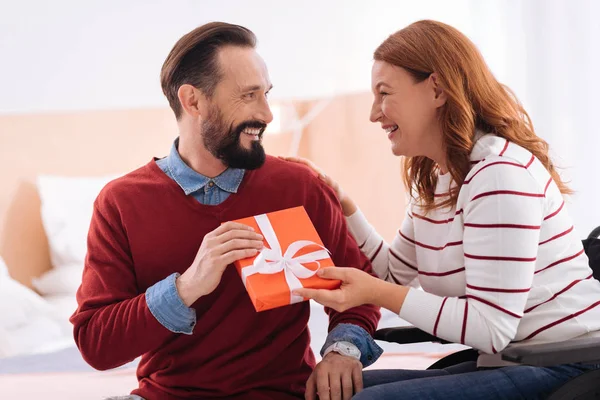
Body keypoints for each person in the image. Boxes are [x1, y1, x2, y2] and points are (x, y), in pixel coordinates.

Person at [289, 19, 600, 400]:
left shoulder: (498, 176)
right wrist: (345, 205)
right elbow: (391, 274)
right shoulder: (440, 177)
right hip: (508, 360)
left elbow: (491, 327)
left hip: (565, 362)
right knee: (321, 393)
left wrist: (375, 291)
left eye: (384, 94)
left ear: (436, 89)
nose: (374, 113)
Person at [70, 22, 382, 400]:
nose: (267, 114)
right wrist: (186, 287)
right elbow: (96, 344)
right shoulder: (120, 203)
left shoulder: (298, 186)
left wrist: (340, 352)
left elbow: (360, 290)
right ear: (194, 101)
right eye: (249, 96)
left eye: (266, 94)